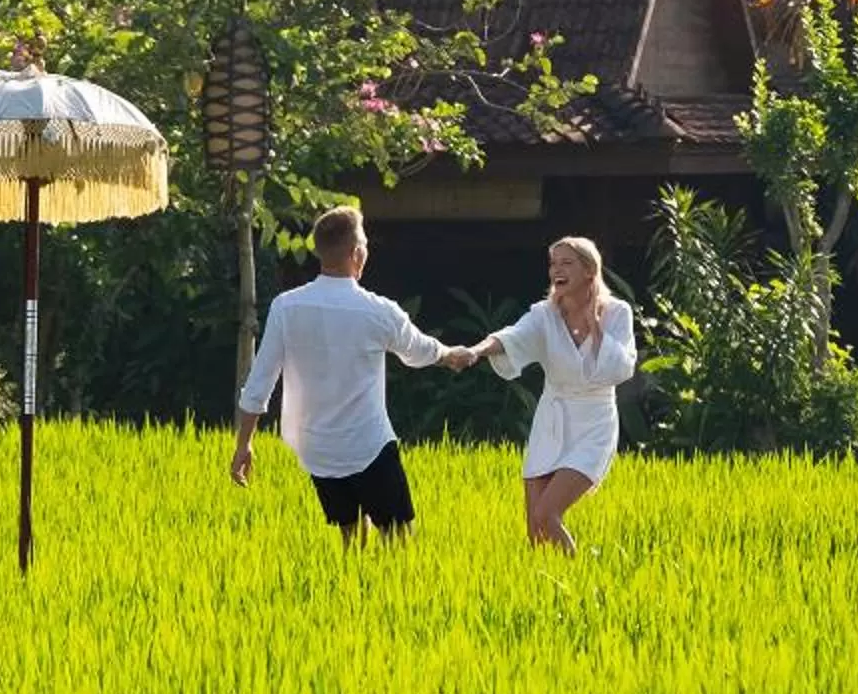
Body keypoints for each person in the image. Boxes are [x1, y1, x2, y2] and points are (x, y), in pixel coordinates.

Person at [230, 206, 451, 543]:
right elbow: (420, 351)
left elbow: (259, 383)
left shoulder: (286, 307)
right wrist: (453, 355)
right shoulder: (378, 311)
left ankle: (354, 589)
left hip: (317, 448)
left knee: (350, 536)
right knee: (399, 537)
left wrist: (244, 444)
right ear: (356, 254)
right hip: (368, 444)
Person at [461, 235, 636, 555]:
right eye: (553, 263)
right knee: (534, 527)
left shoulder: (617, 312)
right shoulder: (544, 314)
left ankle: (579, 577)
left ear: (589, 270)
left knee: (547, 514)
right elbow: (513, 337)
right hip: (551, 419)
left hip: (594, 422)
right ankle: (545, 591)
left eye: (566, 262)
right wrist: (475, 351)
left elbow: (623, 367)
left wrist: (596, 329)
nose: (557, 269)